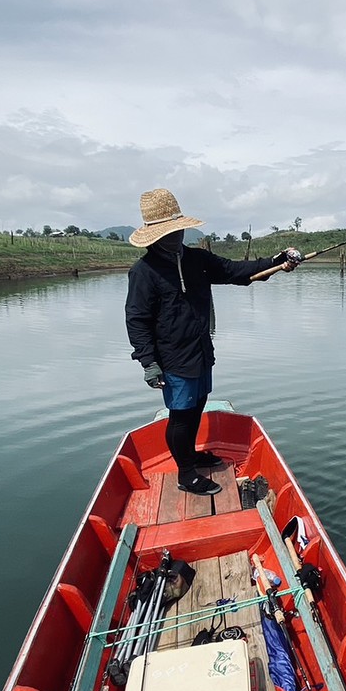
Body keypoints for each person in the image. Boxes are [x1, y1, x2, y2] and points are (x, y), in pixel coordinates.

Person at [125, 188, 302, 496]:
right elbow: (137, 319)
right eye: (168, 232)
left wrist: (277, 261)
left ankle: (191, 455)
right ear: (153, 236)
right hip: (171, 357)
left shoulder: (197, 260)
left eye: (178, 230)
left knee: (199, 405)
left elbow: (237, 272)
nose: (176, 236)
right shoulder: (144, 272)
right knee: (181, 415)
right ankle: (186, 474)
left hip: (200, 350)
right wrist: (148, 361)